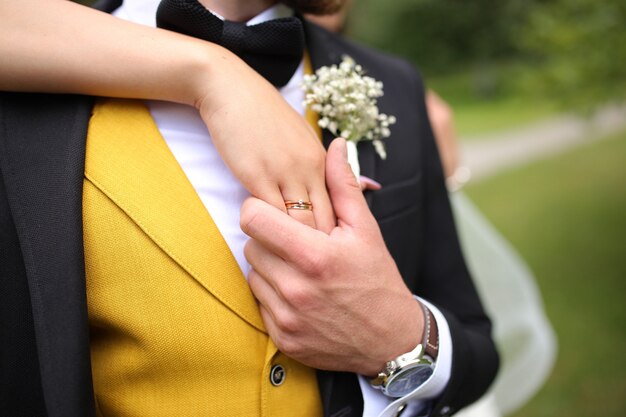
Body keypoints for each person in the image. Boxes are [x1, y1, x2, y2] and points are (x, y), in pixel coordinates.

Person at [0, 1, 499, 416]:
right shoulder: (27, 95)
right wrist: (213, 74)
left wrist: (402, 337)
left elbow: (477, 350)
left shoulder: (393, 86)